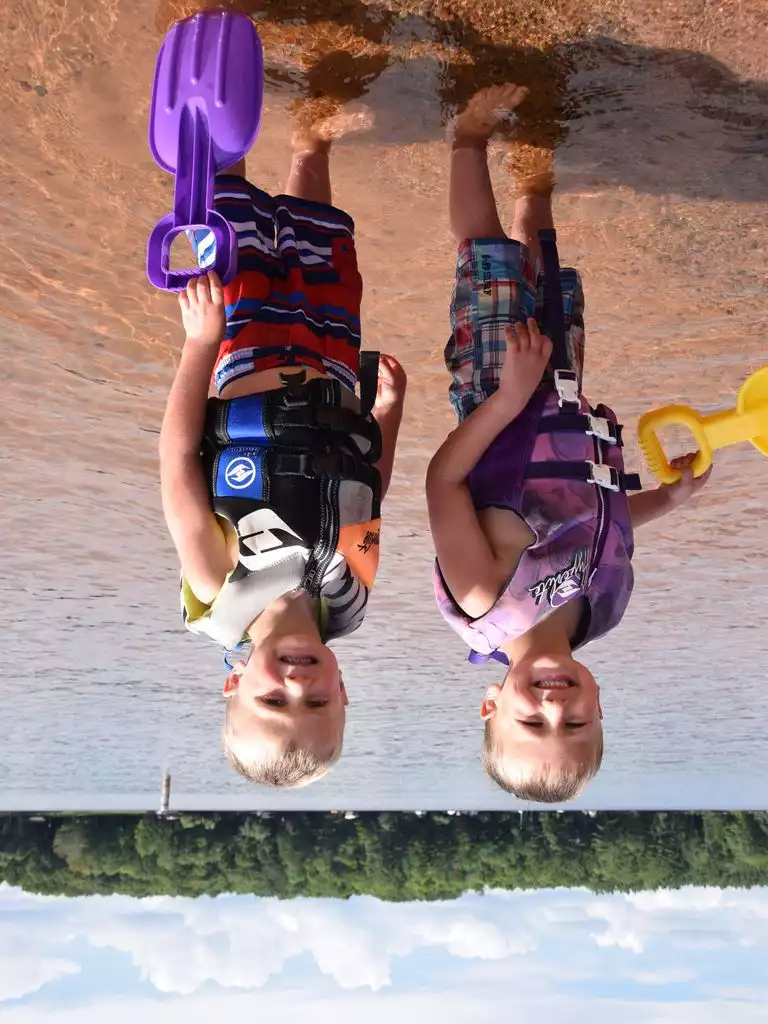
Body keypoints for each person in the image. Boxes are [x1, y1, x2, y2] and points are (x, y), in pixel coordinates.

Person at [426, 85, 711, 804]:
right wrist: (669, 499)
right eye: (575, 722)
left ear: (492, 704)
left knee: (486, 257)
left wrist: (508, 397)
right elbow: (603, 523)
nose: (555, 706)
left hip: (501, 389)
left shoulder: (485, 600)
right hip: (561, 393)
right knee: (547, 269)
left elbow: (443, 483)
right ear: (599, 706)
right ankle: (535, 170)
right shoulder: (600, 609)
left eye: (531, 721)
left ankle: (468, 135)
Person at [159, 112, 407, 788]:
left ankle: (212, 109)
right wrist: (386, 415)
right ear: (345, 692)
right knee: (319, 242)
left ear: (234, 685)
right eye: (317, 702)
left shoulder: (218, 591)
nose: (298, 686)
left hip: (239, 348)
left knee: (230, 211)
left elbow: (177, 461)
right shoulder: (347, 599)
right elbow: (365, 490)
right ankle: (312, 135)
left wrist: (199, 343)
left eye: (272, 701)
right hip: (331, 367)